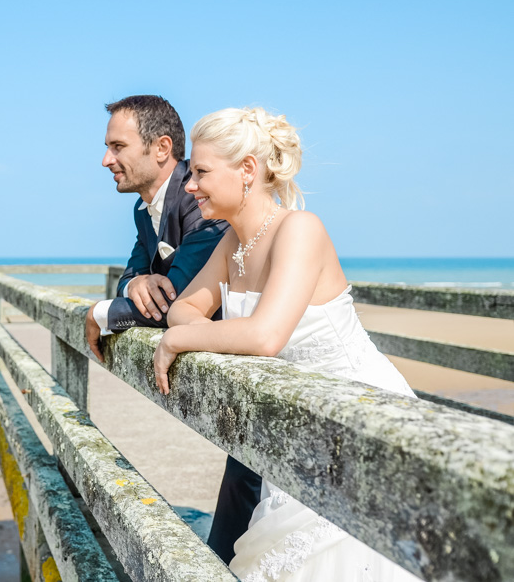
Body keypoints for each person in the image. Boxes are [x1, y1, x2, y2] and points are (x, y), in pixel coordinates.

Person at [152, 107, 421, 581]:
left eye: (201, 172)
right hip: (296, 424)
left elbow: (264, 335)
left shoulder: (300, 230)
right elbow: (182, 309)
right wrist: (183, 328)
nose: (190, 186)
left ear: (248, 171)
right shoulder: (232, 242)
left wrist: (182, 337)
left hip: (358, 416)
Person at [84, 95, 261, 564]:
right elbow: (133, 276)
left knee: (252, 492)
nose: (106, 160)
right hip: (233, 366)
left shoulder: (202, 200)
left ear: (161, 148)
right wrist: (136, 282)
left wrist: (99, 315)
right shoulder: (144, 211)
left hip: (255, 363)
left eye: (117, 146)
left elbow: (172, 301)